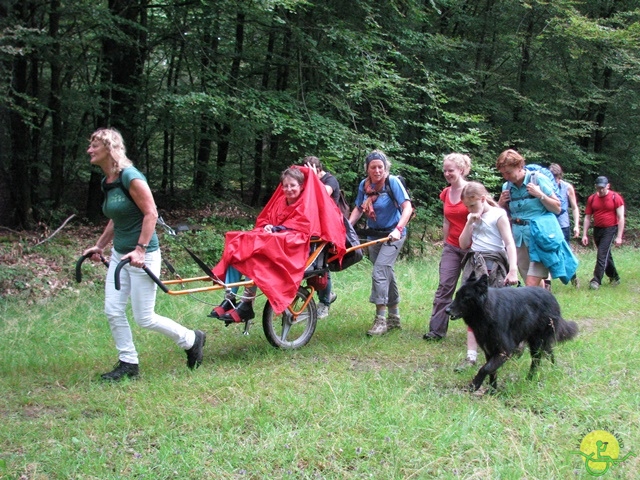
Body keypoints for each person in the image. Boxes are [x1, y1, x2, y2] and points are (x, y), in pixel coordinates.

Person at [83, 128, 206, 381]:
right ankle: (128, 364)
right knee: (113, 310)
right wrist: (100, 245)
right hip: (120, 255)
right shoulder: (107, 181)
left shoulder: (130, 177)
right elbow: (116, 218)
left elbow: (151, 213)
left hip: (143, 256)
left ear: (109, 148)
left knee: (144, 317)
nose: (90, 150)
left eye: (95, 145)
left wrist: (140, 249)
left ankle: (192, 339)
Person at [209, 166, 346, 321]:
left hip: (294, 249)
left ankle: (246, 303)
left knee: (252, 258)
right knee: (237, 249)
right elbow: (267, 219)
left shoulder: (306, 203)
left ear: (301, 187)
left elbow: (303, 225)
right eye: (285, 186)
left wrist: (276, 229)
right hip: (277, 245)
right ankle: (230, 299)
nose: (289, 189)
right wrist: (268, 226)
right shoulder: (280, 201)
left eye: (293, 185)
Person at [455, 181, 519, 370]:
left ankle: (505, 347)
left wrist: (513, 269)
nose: (471, 209)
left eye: (473, 205)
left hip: (494, 265)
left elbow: (509, 243)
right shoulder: (471, 216)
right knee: (471, 309)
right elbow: (463, 244)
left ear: (483, 199)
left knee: (496, 311)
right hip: (475, 264)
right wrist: (469, 222)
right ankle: (471, 356)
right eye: (467, 206)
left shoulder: (498, 215)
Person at [348, 150, 412, 336]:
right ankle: (394, 317)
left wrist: (398, 229)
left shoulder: (393, 183)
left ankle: (380, 320)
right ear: (367, 169)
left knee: (379, 272)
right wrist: (347, 227)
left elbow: (407, 207)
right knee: (386, 272)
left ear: (385, 167)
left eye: (380, 167)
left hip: (394, 235)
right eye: (373, 167)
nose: (377, 171)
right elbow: (359, 209)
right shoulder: (364, 185)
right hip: (374, 235)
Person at [496, 149, 578, 287]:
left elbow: (557, 207)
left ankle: (538, 305)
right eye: (503, 173)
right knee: (532, 283)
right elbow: (501, 215)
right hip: (519, 239)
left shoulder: (538, 179)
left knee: (531, 284)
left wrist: (540, 194)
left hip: (539, 238)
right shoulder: (507, 187)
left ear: (519, 166)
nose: (506, 177)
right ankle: (544, 305)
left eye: (508, 172)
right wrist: (500, 203)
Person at [423, 153, 471, 341]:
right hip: (452, 246)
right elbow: (446, 220)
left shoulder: (471, 190)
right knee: (444, 286)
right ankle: (436, 331)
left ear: (461, 170)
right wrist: (445, 243)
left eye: (450, 170)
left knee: (469, 289)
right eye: (445, 171)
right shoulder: (446, 192)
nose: (447, 174)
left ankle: (475, 334)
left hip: (472, 248)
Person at [303, 156, 340, 319]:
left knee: (321, 267)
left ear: (318, 170)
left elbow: (324, 194)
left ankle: (324, 303)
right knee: (311, 265)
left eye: (310, 173)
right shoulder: (310, 181)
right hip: (312, 229)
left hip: (328, 229)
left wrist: (312, 178)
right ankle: (327, 296)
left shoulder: (330, 180)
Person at [581, 176, 625, 290]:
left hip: (610, 229)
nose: (600, 190)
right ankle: (614, 277)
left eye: (603, 188)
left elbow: (621, 217)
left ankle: (596, 280)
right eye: (598, 188)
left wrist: (619, 236)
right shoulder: (592, 198)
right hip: (597, 229)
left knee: (601, 254)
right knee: (606, 255)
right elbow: (587, 217)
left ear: (608, 186)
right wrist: (584, 234)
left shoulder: (615, 197)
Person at [549, 163, 581, 287]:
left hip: (563, 224)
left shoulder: (567, 187)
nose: (556, 180)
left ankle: (574, 278)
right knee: (548, 252)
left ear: (560, 176)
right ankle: (547, 283)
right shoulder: (545, 186)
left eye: (557, 177)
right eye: (553, 177)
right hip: (550, 225)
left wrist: (576, 225)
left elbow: (574, 207)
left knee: (566, 252)